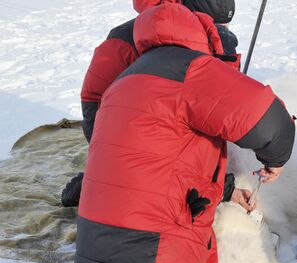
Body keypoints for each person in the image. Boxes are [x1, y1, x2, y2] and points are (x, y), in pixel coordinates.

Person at [19, 3, 295, 263]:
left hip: (99, 231)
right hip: (144, 237)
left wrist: (227, 190)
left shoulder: (128, 76)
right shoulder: (194, 70)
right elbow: (271, 123)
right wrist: (275, 160)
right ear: (207, 35)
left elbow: (162, 164)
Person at [62, 0, 241, 207]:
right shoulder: (151, 42)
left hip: (140, 121)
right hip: (112, 125)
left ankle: (106, 173)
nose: (216, 34)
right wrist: (223, 187)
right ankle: (102, 178)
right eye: (212, 27)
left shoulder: (183, 33)